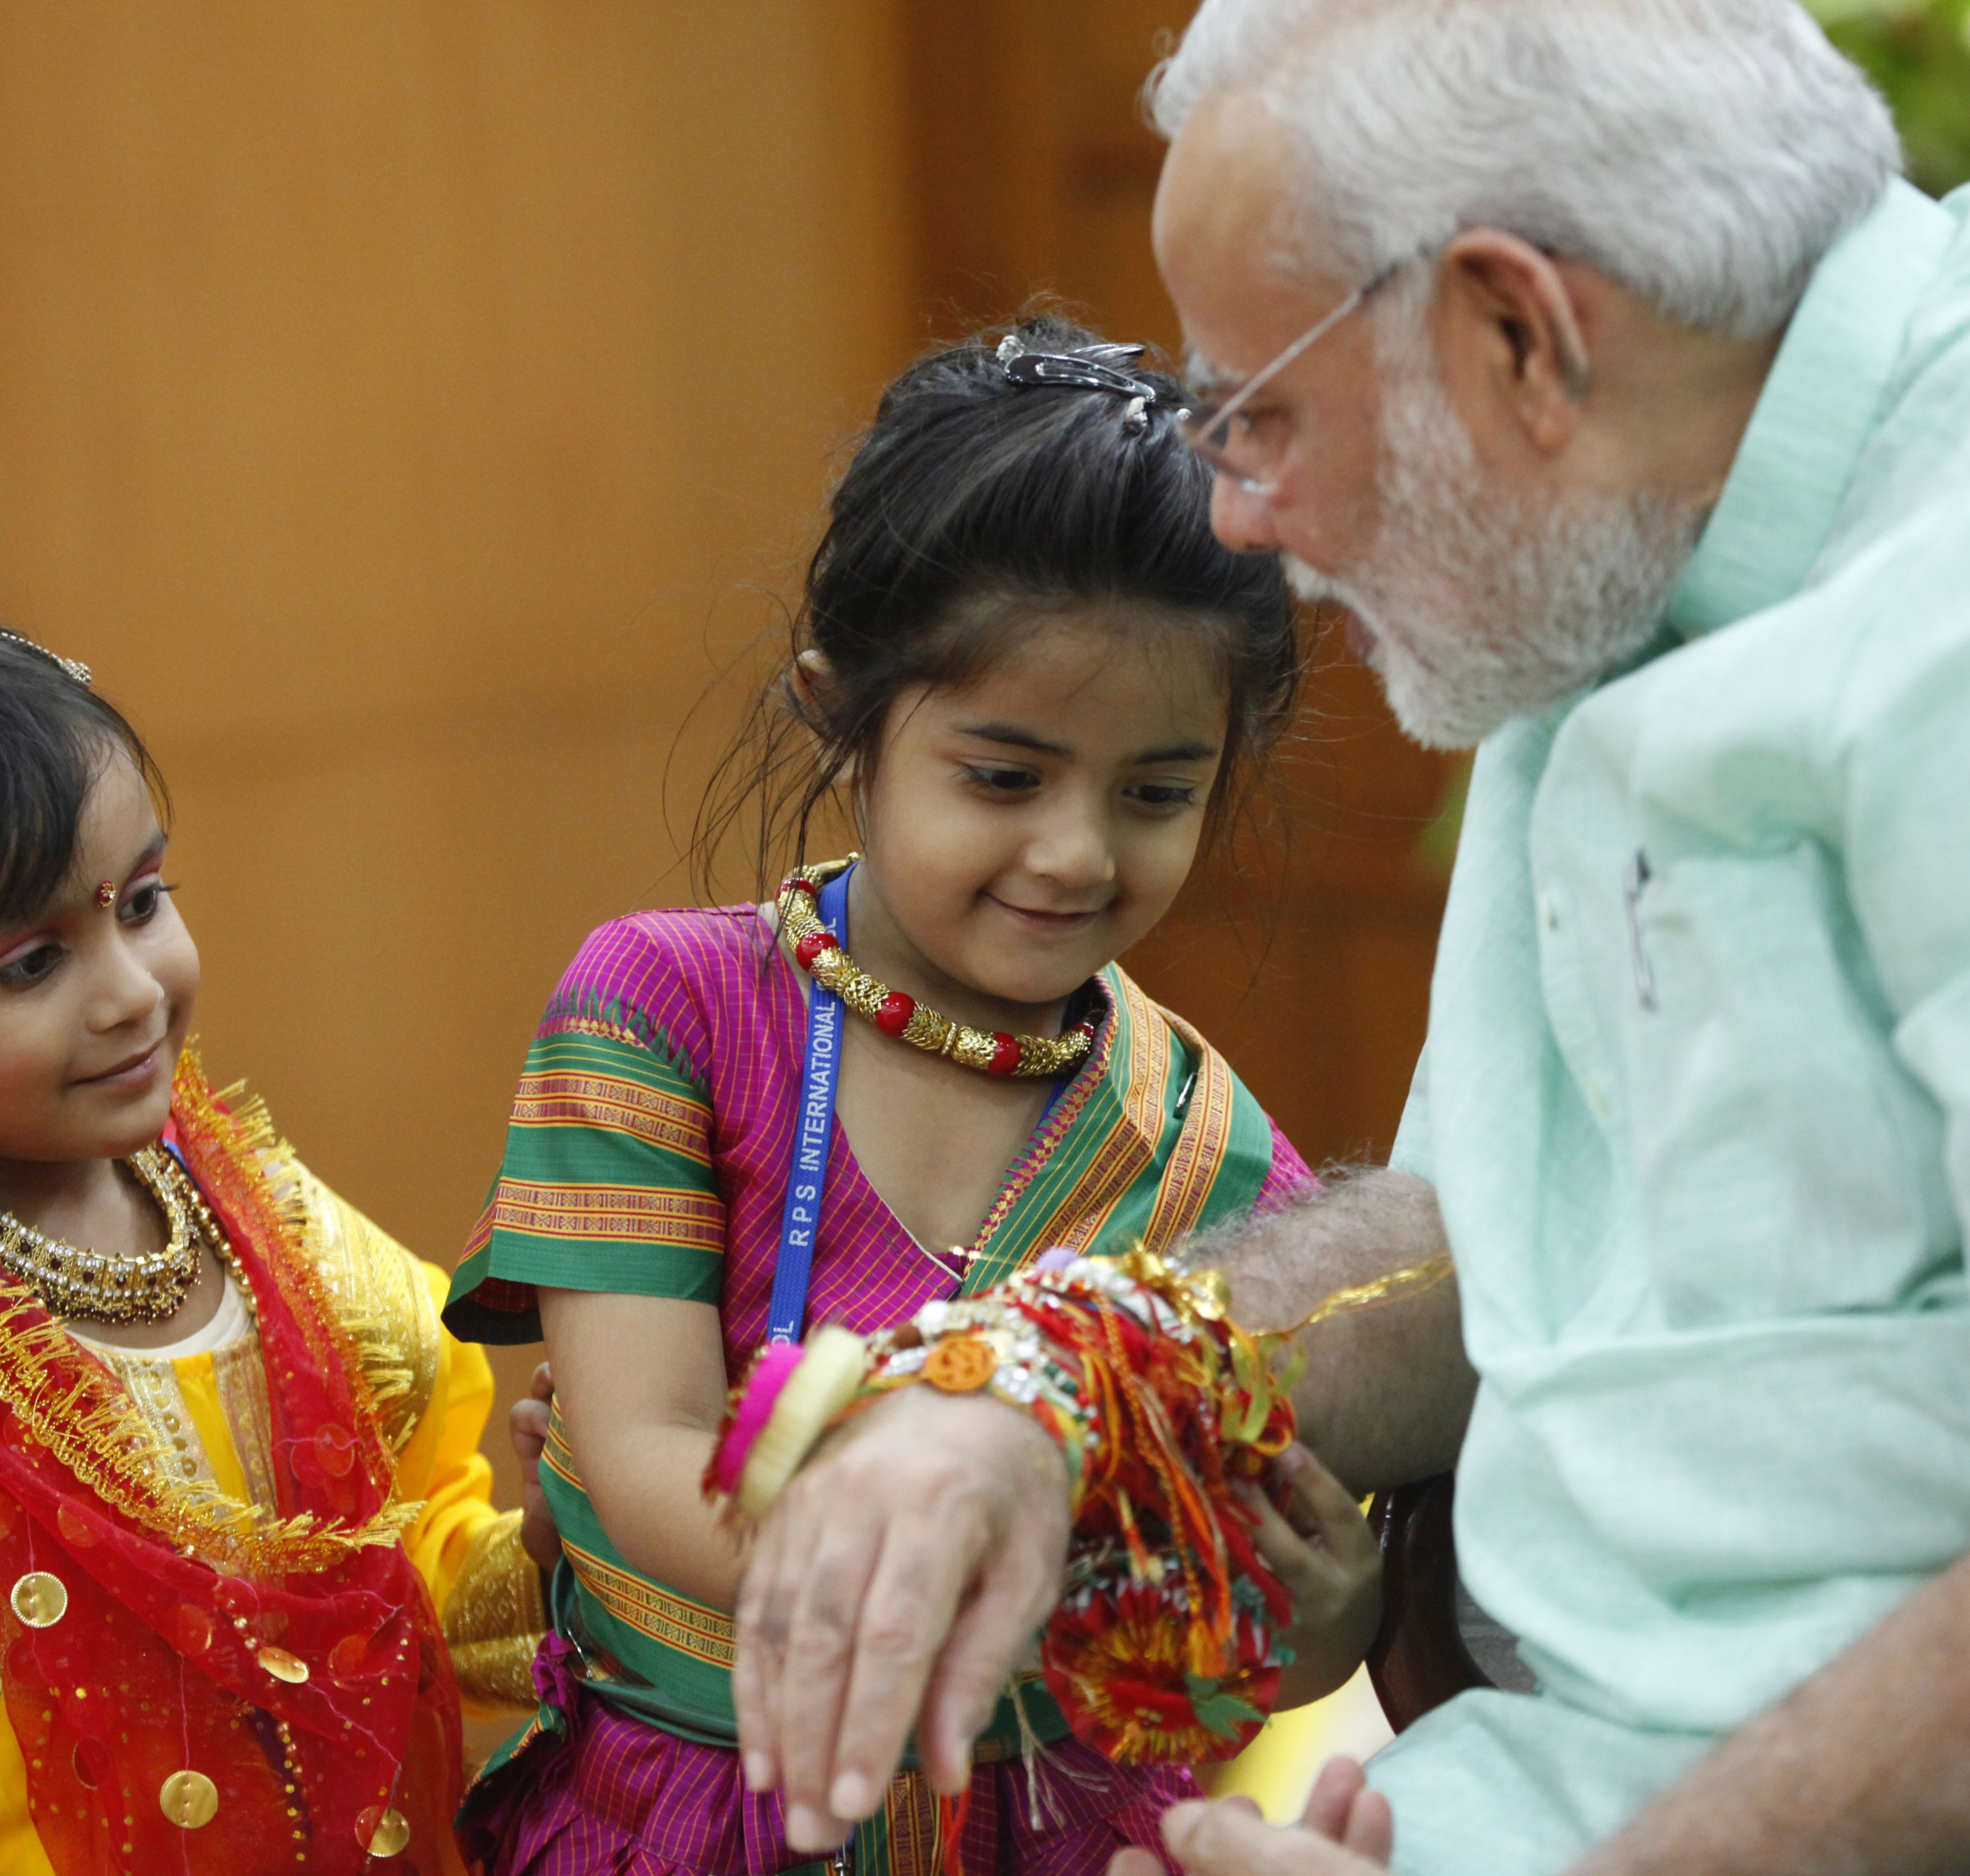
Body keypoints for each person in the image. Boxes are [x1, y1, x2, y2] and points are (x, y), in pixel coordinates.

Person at [718, 3, 1970, 1874]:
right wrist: (1053, 1384)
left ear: (1518, 335)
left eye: (1258, 416)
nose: (1242, 520)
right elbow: (1509, 1236)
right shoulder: (1617, 539)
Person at [441, 314, 1384, 1876]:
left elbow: (1243, 1608)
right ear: (840, 706)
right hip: (692, 1819)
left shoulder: (1212, 1145)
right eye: (1005, 776)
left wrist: (1327, 1620)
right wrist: (1015, 1545)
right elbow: (639, 1444)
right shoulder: (663, 1009)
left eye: (1156, 791)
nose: (1080, 850)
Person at [0, 595, 550, 1875]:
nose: (132, 990)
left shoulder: (283, 1238)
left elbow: (406, 1586)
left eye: (140, 899)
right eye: (28, 964)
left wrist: (566, 1536)